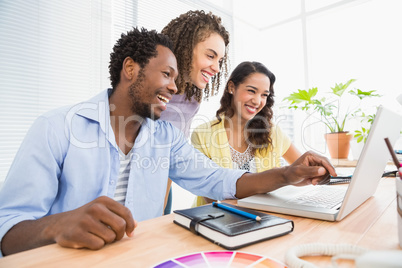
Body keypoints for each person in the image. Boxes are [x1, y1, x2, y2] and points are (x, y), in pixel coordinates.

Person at [0, 27, 336, 257]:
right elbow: (8, 232)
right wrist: (57, 226)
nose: (175, 88)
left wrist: (287, 174)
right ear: (130, 68)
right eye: (166, 75)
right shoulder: (56, 127)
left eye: (177, 78)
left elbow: (219, 179)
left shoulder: (165, 137)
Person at [191, 61, 303, 206]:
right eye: (251, 91)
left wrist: (314, 170)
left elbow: (300, 170)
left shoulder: (272, 132)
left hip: (264, 217)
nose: (257, 101)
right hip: (217, 218)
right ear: (232, 87)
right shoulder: (202, 134)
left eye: (264, 95)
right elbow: (212, 194)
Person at [160, 10, 230, 214]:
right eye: (210, 56)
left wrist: (160, 205)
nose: (216, 67)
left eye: (220, 60)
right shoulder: (153, 91)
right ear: (185, 48)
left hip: (163, 187)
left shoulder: (191, 99)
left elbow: (172, 158)